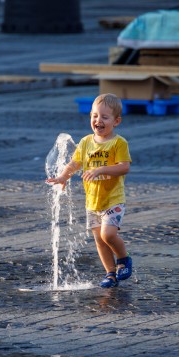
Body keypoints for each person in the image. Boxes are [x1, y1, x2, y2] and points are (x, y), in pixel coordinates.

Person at [46, 93, 132, 288]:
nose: (98, 120)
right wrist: (62, 177)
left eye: (104, 117)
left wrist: (101, 169)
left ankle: (124, 259)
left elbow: (124, 167)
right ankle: (110, 273)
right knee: (99, 240)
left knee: (108, 235)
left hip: (113, 199)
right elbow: (74, 163)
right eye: (94, 116)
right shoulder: (86, 142)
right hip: (93, 202)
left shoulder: (119, 143)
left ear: (116, 121)